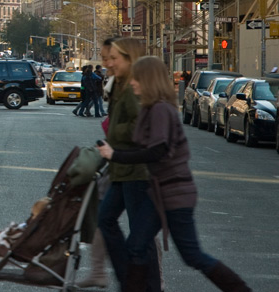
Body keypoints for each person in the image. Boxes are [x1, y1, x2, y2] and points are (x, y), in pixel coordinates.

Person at [98, 56, 251, 292]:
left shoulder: (161, 110)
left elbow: (157, 150)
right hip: (158, 192)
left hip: (175, 193)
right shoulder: (150, 109)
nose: (133, 83)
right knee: (136, 246)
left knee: (192, 255)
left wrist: (115, 155)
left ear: (148, 80)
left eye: (137, 79)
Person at [95, 38, 162, 291]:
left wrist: (114, 130)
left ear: (129, 59)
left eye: (113, 59)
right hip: (121, 170)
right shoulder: (120, 84)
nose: (108, 63)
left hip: (136, 171)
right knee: (106, 219)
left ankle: (141, 284)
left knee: (139, 236)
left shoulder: (134, 87)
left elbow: (140, 128)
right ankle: (129, 279)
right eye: (107, 58)